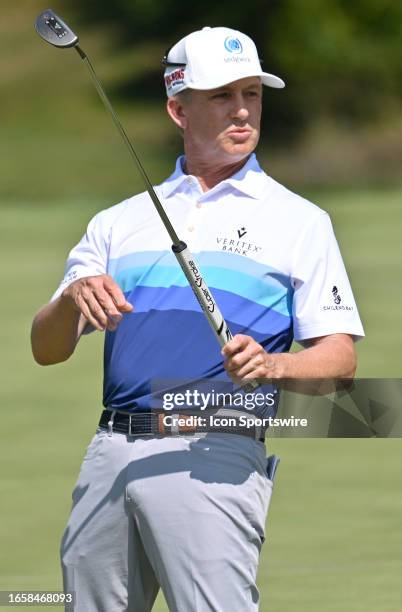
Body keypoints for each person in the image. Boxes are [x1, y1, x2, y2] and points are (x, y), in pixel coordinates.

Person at [31, 26, 364, 612]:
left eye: (252, 94)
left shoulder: (300, 221)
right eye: (221, 96)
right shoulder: (117, 222)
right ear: (177, 108)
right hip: (108, 453)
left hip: (214, 450)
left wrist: (275, 364)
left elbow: (340, 362)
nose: (242, 110)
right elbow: (47, 347)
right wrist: (71, 298)